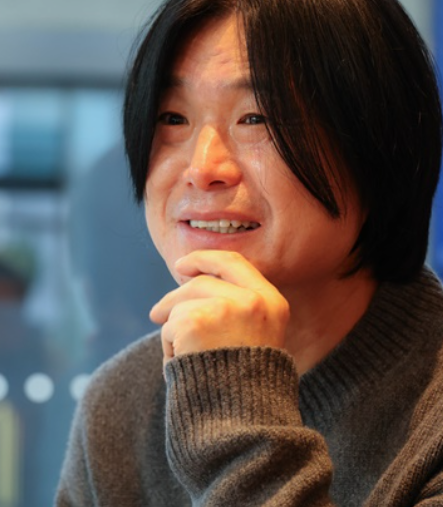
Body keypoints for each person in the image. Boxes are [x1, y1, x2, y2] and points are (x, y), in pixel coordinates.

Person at [55, 0, 443, 505]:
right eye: (172, 117)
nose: (203, 168)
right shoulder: (124, 403)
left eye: (256, 117)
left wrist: (234, 402)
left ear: (379, 143)